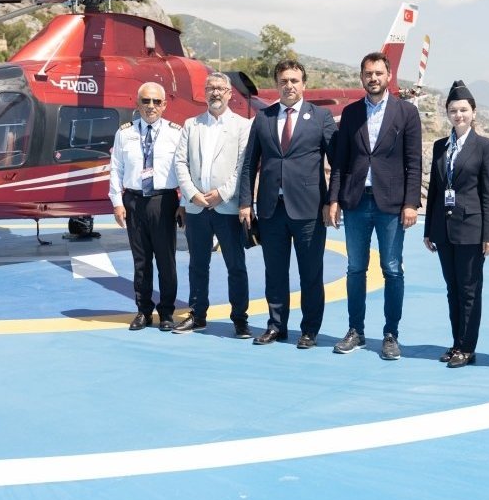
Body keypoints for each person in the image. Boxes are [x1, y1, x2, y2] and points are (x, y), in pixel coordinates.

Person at [326, 52, 422, 360]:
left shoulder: (407, 112)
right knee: (355, 268)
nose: (373, 78)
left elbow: (414, 162)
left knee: (392, 269)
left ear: (389, 76)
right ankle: (355, 330)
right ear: (362, 77)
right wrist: (333, 199)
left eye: (378, 73)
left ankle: (391, 334)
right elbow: (340, 161)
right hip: (355, 202)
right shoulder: (351, 113)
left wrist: (411, 203)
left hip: (391, 205)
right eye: (368, 73)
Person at [239, 59, 337, 348]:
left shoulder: (321, 117)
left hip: (309, 210)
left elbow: (338, 163)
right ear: (277, 85)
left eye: (294, 80)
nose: (289, 85)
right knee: (275, 273)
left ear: (304, 84)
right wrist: (246, 202)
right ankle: (276, 326)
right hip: (271, 210)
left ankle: (309, 330)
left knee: (311, 274)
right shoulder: (263, 118)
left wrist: (332, 200)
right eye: (284, 81)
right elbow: (249, 164)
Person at [172, 73, 253, 338]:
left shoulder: (242, 126)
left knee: (236, 266)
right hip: (197, 208)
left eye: (220, 88)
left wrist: (223, 193)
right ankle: (197, 315)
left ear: (229, 94)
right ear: (204, 93)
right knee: (197, 265)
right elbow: (180, 162)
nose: (215, 93)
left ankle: (239, 319)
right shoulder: (191, 125)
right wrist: (192, 194)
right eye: (210, 88)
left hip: (226, 208)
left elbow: (243, 166)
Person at [423, 81, 489, 369]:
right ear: (448, 114)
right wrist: (429, 229)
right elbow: (435, 191)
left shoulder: (485, 147)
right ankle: (456, 342)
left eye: (464, 110)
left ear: (474, 112)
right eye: (453, 110)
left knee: (469, 290)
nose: (459, 115)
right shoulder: (440, 146)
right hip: (443, 229)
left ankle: (467, 347)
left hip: (471, 229)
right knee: (452, 289)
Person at [109, 81, 184, 331]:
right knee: (140, 261)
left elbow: (184, 170)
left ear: (164, 105)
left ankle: (166, 312)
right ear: (137, 103)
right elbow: (116, 169)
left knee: (166, 261)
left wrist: (183, 202)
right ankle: (143, 311)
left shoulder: (176, 133)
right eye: (146, 101)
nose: (151, 106)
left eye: (156, 101)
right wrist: (117, 202)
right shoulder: (124, 133)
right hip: (134, 201)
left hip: (163, 201)